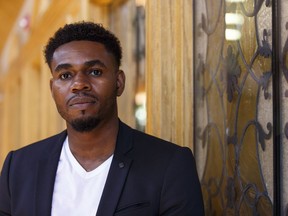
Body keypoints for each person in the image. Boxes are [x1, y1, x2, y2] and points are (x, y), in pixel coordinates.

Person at [0, 21, 204, 216]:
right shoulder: (18, 167)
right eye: (65, 75)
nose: (79, 84)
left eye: (95, 72)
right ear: (53, 90)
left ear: (119, 82)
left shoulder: (170, 165)